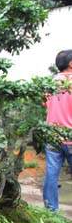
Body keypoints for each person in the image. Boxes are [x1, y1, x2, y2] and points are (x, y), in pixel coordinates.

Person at [42, 50, 72, 211]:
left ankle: (51, 210)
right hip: (70, 136)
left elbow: (46, 104)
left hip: (52, 136)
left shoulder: (49, 82)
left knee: (51, 174)